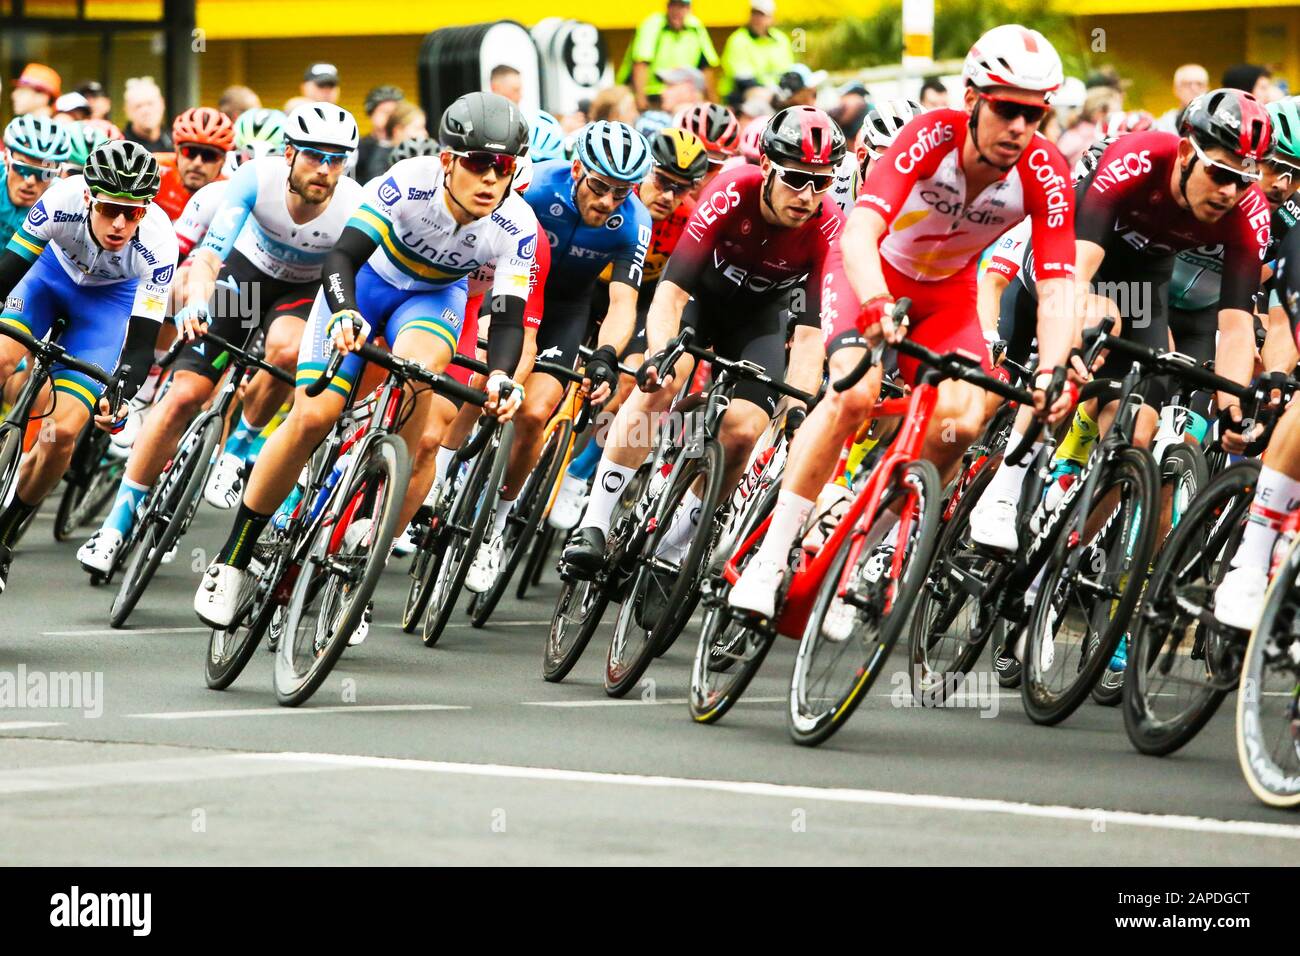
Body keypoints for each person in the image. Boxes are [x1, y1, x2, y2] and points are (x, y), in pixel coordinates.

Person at [728, 25, 1078, 621]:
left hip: (949, 297)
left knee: (966, 419)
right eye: (1008, 109)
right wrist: (872, 302)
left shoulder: (1045, 172)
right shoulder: (928, 136)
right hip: (872, 271)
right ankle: (770, 557)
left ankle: (864, 552)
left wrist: (1054, 368)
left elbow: (1057, 285)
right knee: (854, 395)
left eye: (1035, 114)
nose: (1021, 127)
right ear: (972, 100)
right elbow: (861, 231)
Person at [193, 93, 536, 629]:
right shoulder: (407, 182)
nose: (491, 178)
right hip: (364, 283)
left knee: (419, 400)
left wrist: (500, 375)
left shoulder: (517, 223)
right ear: (448, 161)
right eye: (477, 162)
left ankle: (359, 548)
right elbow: (342, 257)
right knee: (313, 415)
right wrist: (345, 314)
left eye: (504, 166)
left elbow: (509, 315)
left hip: (430, 301)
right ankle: (233, 557)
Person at [78, 103, 366, 576]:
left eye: (337, 159)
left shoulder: (353, 205)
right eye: (315, 155)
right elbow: (210, 257)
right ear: (290, 153)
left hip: (303, 291)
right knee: (182, 396)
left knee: (288, 351)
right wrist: (194, 301)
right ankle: (115, 525)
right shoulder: (255, 178)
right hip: (246, 280)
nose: (325, 169)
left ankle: (236, 450)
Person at [562, 105, 843, 580]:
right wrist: (658, 355)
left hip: (759, 324)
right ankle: (595, 521)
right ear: (769, 167)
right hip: (699, 301)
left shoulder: (827, 225)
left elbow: (812, 334)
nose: (808, 194)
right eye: (797, 178)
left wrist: (798, 408)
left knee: (745, 431)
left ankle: (674, 549)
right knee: (662, 383)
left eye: (822, 181)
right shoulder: (732, 190)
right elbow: (670, 292)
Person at [462, 121, 653, 590]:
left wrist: (607, 353)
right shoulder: (535, 185)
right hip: (511, 288)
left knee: (534, 413)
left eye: (621, 192)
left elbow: (624, 302)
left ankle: (496, 526)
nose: (609, 202)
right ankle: (448, 469)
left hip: (567, 309)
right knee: (476, 379)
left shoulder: (634, 222)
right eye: (600, 187)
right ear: (576, 169)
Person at [0, 141, 175, 591]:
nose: (120, 224)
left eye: (133, 213)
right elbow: (9, 271)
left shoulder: (159, 244)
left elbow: (139, 346)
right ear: (88, 199)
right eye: (111, 209)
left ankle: (4, 536)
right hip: (47, 279)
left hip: (107, 309)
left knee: (61, 436)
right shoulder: (59, 199)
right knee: (2, 358)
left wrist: (120, 395)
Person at [546, 127, 711, 531]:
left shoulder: (689, 221)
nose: (669, 196)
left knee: (638, 382)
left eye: (682, 188)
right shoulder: (614, 197)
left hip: (641, 301)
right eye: (662, 182)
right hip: (586, 290)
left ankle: (581, 472)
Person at [619, 0, 720, 111]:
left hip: (684, 93)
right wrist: (641, 100)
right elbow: (641, 63)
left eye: (682, 6)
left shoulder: (696, 26)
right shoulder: (653, 24)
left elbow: (707, 67)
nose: (677, 11)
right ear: (667, 7)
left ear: (689, 9)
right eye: (673, 5)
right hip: (652, 93)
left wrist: (714, 104)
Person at [152, 108, 235, 222]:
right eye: (189, 151)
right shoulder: (152, 170)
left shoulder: (230, 192)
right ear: (177, 150)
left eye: (210, 155)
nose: (197, 163)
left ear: (223, 160)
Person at [0, 117, 71, 244]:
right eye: (22, 168)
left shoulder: (63, 202)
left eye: (44, 173)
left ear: (58, 173)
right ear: (6, 158)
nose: (30, 181)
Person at [719, 0, 794, 99]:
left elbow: (788, 71)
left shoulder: (781, 39)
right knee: (759, 96)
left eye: (762, 15)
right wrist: (769, 90)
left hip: (778, 92)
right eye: (754, 13)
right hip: (742, 93)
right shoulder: (738, 39)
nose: (757, 18)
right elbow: (742, 79)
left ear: (772, 18)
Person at [1054, 84, 1120, 166]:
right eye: (1113, 112)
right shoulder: (1085, 138)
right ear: (1099, 113)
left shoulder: (1079, 132)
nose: (1117, 115)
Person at [356, 85, 404, 183]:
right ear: (371, 114)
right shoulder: (359, 147)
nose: (390, 116)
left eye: (395, 112)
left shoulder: (406, 145)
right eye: (384, 111)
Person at [122, 77, 172, 153]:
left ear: (162, 104)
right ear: (127, 111)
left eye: (150, 104)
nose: (146, 111)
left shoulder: (175, 143)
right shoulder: (120, 149)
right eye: (138, 106)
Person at [1155, 64, 1208, 132]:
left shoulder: (1214, 124)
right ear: (1176, 89)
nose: (1194, 89)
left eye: (1199, 84)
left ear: (1207, 89)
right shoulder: (1163, 126)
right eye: (1187, 84)